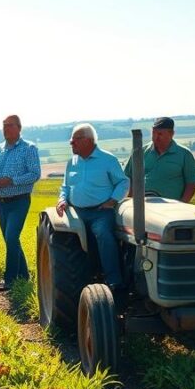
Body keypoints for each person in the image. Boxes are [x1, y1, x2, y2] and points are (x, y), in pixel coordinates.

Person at [56, 123, 129, 290]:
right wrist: (62, 200)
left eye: (75, 140)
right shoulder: (72, 162)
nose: (71, 143)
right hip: (77, 213)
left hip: (100, 212)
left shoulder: (108, 160)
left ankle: (114, 281)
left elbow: (123, 182)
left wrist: (112, 200)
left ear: (88, 141)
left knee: (103, 234)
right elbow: (65, 186)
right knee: (70, 242)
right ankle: (79, 283)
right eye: (71, 140)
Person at [0, 114, 42, 291]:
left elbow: (35, 174)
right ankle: (24, 277)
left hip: (19, 201)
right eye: (4, 125)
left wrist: (12, 180)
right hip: (1, 202)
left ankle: (10, 279)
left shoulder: (29, 148)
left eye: (9, 125)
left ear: (19, 128)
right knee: (11, 240)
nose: (5, 129)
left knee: (11, 237)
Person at [124, 116, 195, 202]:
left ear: (171, 134)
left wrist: (183, 202)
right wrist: (130, 201)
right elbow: (129, 177)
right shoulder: (140, 152)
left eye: (160, 134)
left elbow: (192, 182)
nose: (156, 137)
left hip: (171, 208)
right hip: (143, 206)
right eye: (153, 133)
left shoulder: (184, 154)